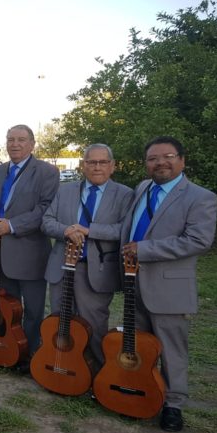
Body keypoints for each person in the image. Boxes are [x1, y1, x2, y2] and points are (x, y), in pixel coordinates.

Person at [121, 136, 216, 432]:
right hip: (134, 282)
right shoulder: (142, 189)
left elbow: (198, 241)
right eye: (153, 158)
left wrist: (144, 250)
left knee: (172, 349)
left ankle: (173, 404)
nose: (160, 162)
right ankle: (143, 391)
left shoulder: (200, 197)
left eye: (168, 156)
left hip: (169, 288)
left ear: (182, 160)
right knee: (140, 344)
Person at [41, 143, 133, 370]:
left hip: (96, 271)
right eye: (91, 162)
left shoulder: (125, 194)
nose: (97, 167)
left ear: (112, 166)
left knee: (94, 324)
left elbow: (124, 229)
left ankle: (97, 373)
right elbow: (46, 221)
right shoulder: (65, 190)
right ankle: (62, 367)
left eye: (103, 162)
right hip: (62, 266)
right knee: (60, 320)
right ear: (83, 166)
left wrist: (89, 231)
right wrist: (66, 230)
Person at [0, 124, 59, 363]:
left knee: (33, 311)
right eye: (10, 139)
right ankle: (7, 347)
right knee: (7, 308)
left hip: (30, 254)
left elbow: (45, 208)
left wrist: (11, 225)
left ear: (32, 144)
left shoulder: (47, 172)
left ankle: (29, 354)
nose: (15, 144)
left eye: (21, 139)